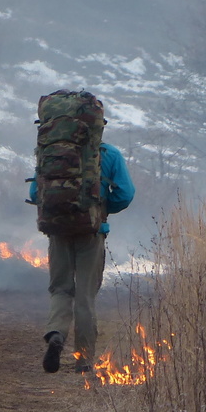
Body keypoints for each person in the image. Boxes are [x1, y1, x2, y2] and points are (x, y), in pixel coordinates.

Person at [31, 141, 134, 374]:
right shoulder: (109, 153)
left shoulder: (49, 150)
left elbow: (35, 192)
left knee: (60, 289)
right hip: (92, 232)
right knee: (85, 295)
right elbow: (125, 194)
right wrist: (101, 208)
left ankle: (56, 333)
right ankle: (84, 360)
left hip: (58, 231)